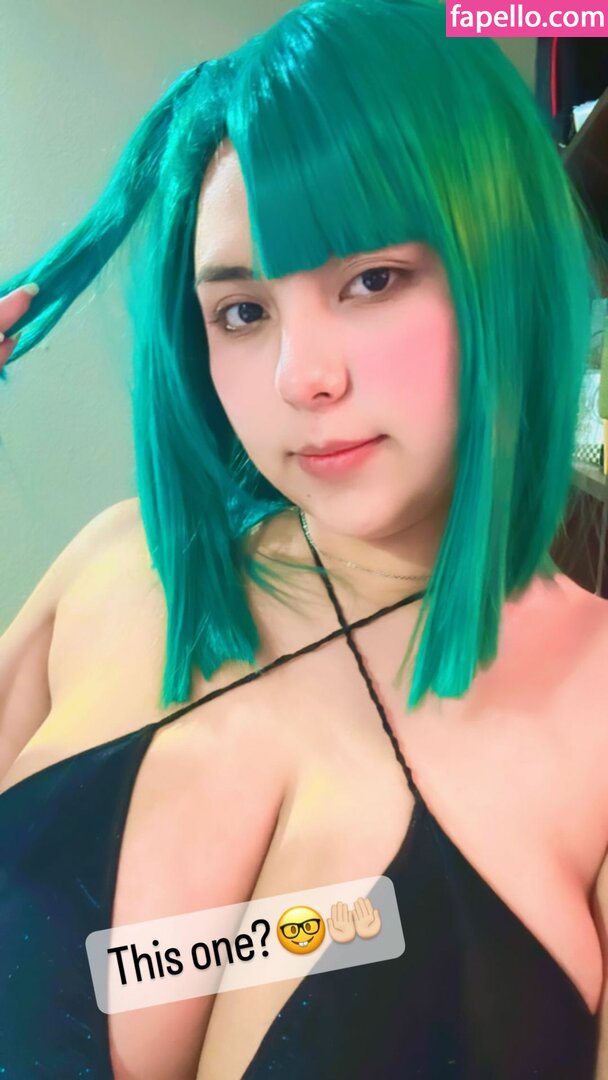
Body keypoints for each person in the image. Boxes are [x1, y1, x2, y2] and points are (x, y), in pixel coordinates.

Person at [0, 0, 607, 1076]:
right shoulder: (118, 569)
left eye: (370, 280)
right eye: (242, 311)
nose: (299, 379)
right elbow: (164, 962)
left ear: (505, 272)